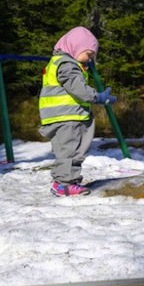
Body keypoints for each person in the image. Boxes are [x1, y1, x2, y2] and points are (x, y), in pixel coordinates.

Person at [39, 26, 117, 197]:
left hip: (63, 116)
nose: (90, 60)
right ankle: (64, 184)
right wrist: (98, 97)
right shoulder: (67, 65)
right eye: (88, 54)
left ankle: (67, 180)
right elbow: (78, 89)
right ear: (76, 46)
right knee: (70, 150)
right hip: (67, 117)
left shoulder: (59, 63)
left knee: (70, 149)